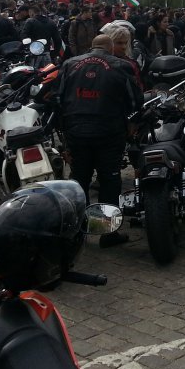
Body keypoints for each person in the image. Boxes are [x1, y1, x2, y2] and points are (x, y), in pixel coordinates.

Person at [57, 34, 143, 247]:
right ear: (110, 47)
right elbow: (135, 99)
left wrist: (64, 130)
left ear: (91, 47)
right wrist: (133, 123)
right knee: (109, 180)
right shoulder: (120, 66)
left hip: (76, 130)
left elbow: (58, 97)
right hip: (109, 131)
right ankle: (107, 232)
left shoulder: (70, 65)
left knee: (79, 179)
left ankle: (80, 229)